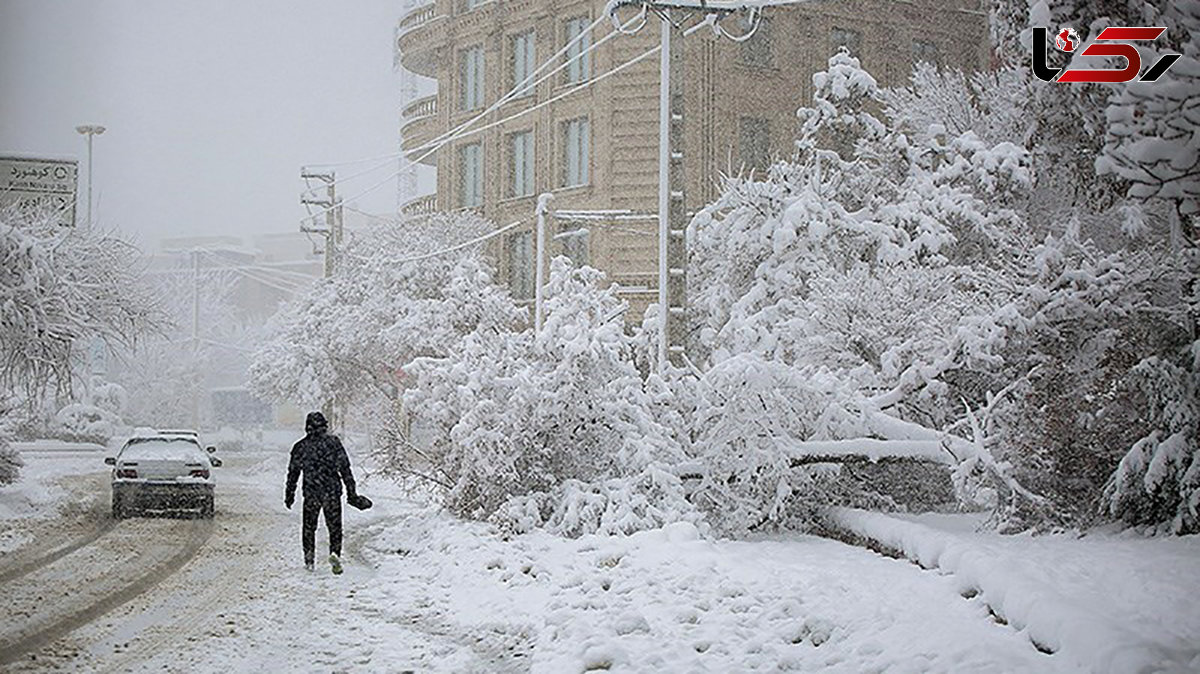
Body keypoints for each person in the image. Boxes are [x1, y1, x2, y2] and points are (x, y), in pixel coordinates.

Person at [285, 411, 357, 574]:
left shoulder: (300, 447)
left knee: (309, 528)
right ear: (325, 426)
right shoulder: (333, 443)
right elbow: (345, 469)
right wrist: (351, 491)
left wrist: (289, 494)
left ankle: (309, 558)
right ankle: (335, 554)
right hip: (331, 492)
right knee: (335, 527)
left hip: (311, 493)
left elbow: (293, 474)